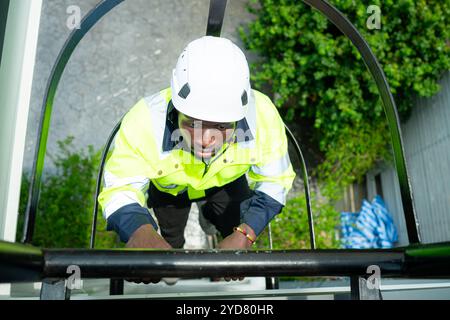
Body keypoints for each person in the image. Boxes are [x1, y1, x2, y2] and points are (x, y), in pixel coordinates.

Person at [98, 36, 295, 282]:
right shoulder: (144, 120)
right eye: (192, 123)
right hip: (171, 191)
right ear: (176, 106)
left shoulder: (262, 115)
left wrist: (245, 234)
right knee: (170, 237)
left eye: (221, 126)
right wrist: (140, 231)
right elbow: (120, 186)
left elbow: (275, 180)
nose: (205, 139)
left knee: (231, 227)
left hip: (226, 182)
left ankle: (212, 227)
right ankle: (175, 248)